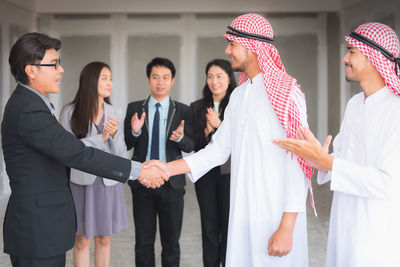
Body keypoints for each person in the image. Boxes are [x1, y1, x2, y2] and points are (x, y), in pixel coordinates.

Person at [145, 14, 312, 267]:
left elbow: (300, 159)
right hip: (242, 210)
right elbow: (217, 151)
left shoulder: (288, 93)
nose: (227, 50)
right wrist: (167, 168)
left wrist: (287, 225)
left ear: (252, 46)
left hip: (274, 215)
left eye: (232, 44)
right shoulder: (240, 96)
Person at [2, 32, 167, 267]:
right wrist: (138, 171)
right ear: (32, 70)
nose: (61, 70)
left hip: (41, 226)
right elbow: (77, 153)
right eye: (54, 64)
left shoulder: (31, 104)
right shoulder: (29, 110)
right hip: (37, 229)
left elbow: (75, 148)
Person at [273, 22, 400, 266]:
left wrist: (328, 162)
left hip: (377, 232)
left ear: (375, 57)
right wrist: (319, 161)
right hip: (344, 222)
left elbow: (388, 183)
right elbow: (339, 160)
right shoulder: (354, 104)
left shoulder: (395, 110)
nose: (344, 57)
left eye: (352, 51)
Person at [124, 57, 194, 267]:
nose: (160, 82)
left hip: (171, 183)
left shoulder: (183, 110)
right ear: (148, 80)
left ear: (172, 81)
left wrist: (180, 138)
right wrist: (135, 130)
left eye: (165, 77)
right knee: (143, 243)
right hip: (142, 182)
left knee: (171, 243)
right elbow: (126, 143)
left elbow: (190, 146)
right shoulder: (135, 107)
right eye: (155, 77)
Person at [59, 61, 129, 267]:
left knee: (104, 239)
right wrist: (102, 137)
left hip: (107, 184)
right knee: (81, 240)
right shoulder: (69, 112)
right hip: (80, 184)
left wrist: (114, 136)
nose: (110, 83)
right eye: (104, 78)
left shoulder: (115, 112)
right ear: (90, 81)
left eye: (111, 78)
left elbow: (122, 155)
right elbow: (67, 151)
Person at [189, 59, 236, 267]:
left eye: (219, 76)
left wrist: (221, 125)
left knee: (227, 225)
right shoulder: (197, 107)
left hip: (230, 173)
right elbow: (193, 143)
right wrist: (208, 131)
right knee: (208, 226)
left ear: (228, 79)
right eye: (210, 76)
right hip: (206, 174)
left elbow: (243, 140)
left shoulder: (237, 105)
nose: (214, 81)